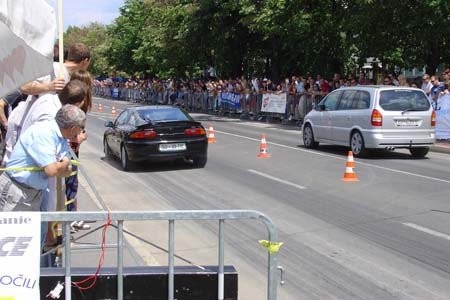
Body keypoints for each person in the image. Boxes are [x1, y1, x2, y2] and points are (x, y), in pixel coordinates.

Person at [0, 104, 86, 212]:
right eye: (81, 129)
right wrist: (64, 163)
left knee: (30, 229)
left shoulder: (61, 138)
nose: (80, 133)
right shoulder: (44, 133)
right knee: (9, 229)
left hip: (34, 193)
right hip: (16, 192)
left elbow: (67, 171)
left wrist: (61, 165)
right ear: (73, 128)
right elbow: (51, 170)